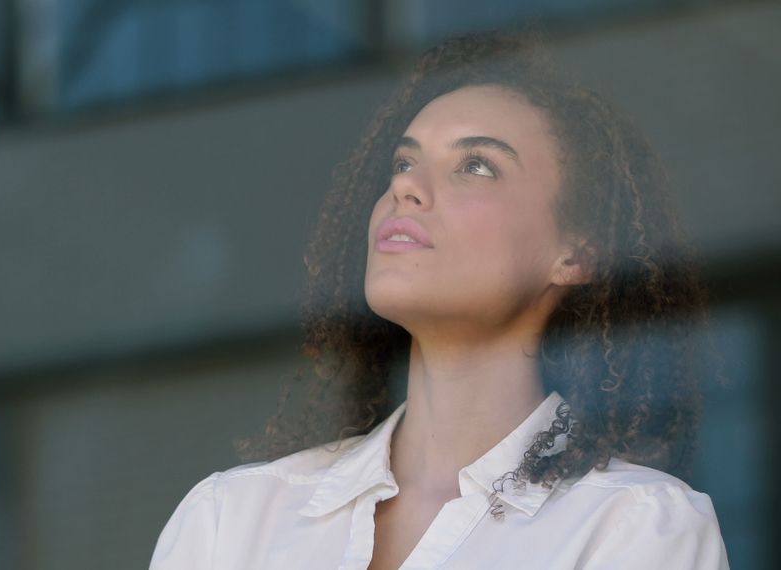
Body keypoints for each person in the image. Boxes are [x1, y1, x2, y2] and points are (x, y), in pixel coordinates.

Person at [149, 30, 729, 570]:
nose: (405, 186)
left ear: (574, 253)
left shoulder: (636, 527)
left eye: (476, 165)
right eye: (404, 162)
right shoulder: (232, 518)